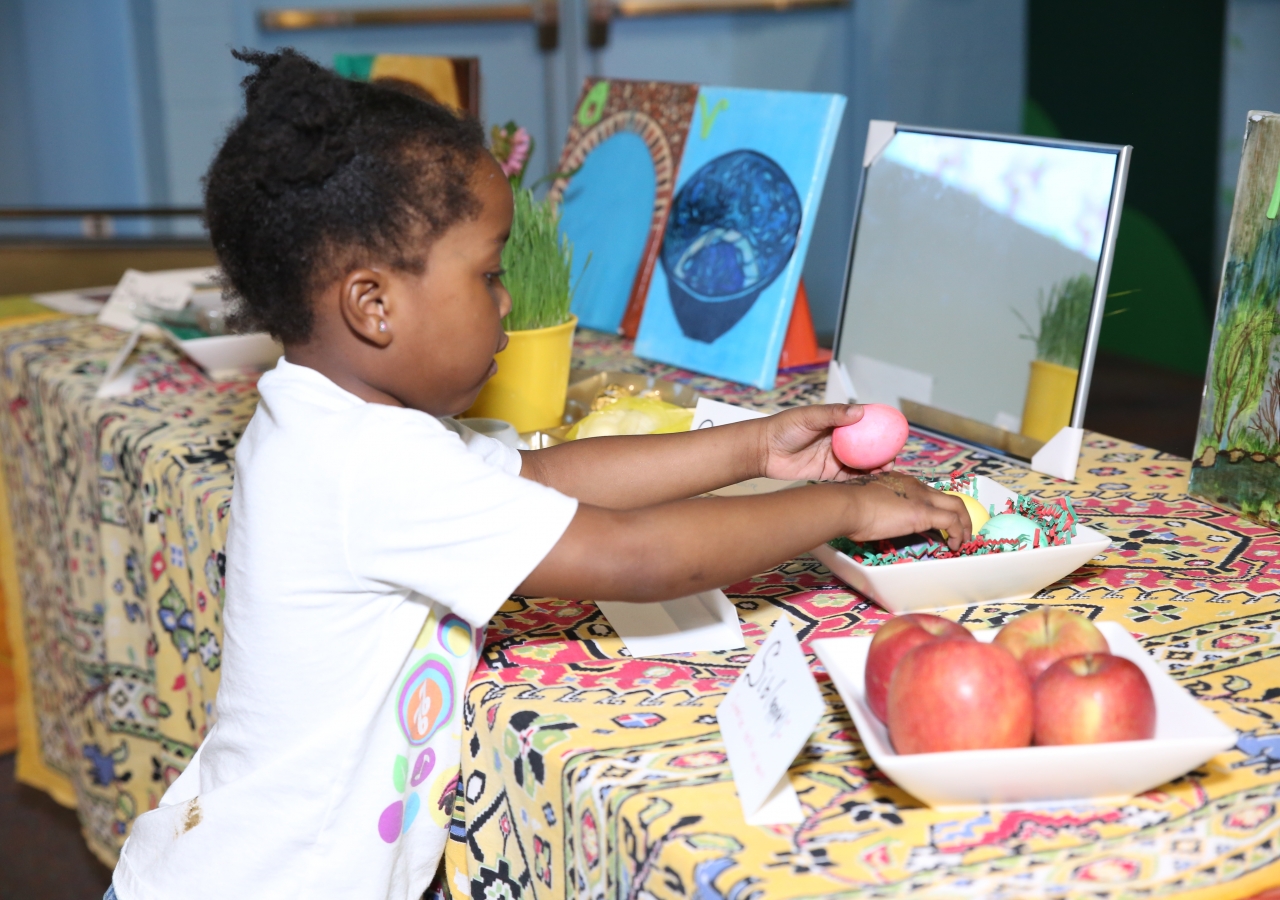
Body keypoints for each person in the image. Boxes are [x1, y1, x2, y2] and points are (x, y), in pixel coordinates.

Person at [108, 48, 969, 900]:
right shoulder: (366, 463)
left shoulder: (328, 420)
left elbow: (543, 476)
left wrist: (754, 449)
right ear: (373, 306)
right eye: (487, 275)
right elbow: (633, 555)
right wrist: (840, 507)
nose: (508, 300)